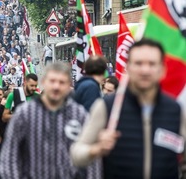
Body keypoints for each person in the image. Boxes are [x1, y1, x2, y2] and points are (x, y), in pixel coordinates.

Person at [71, 39, 186, 179]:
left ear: (162, 69)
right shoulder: (107, 107)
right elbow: (77, 154)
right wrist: (97, 148)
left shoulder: (175, 110)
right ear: (128, 67)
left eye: (151, 64)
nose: (145, 70)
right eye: (139, 63)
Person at [0, 62, 101, 179]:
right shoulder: (24, 114)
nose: (56, 86)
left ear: (69, 85)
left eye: (62, 82)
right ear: (43, 82)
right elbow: (9, 156)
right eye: (52, 81)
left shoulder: (80, 116)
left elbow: (92, 159)